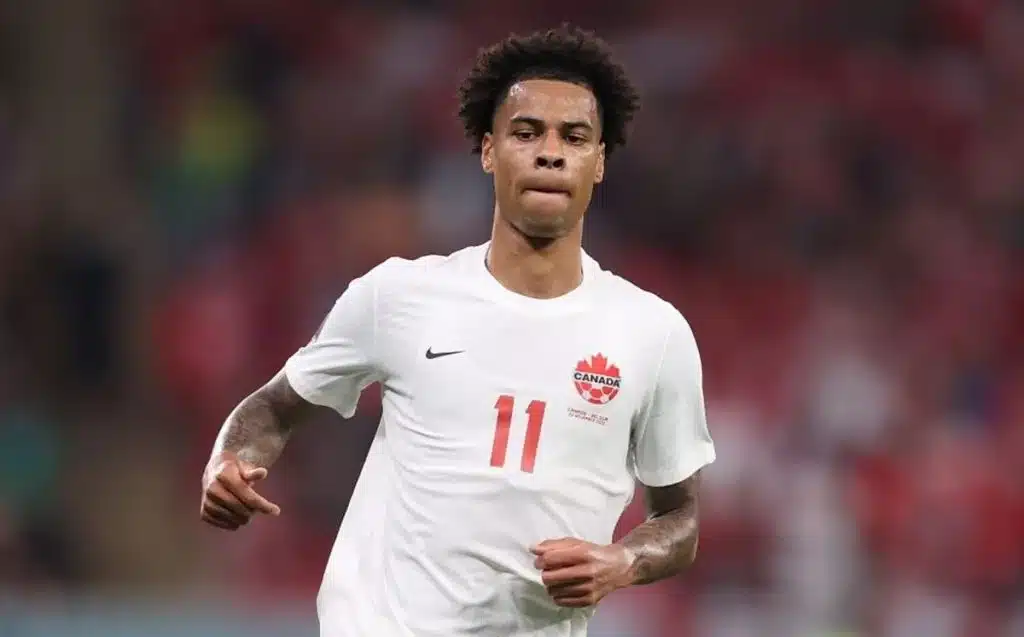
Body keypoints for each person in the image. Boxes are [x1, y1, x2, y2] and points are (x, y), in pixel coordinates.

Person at [200, 23, 715, 637]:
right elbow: (275, 407)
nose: (550, 152)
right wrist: (229, 460)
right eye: (527, 132)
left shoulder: (652, 334)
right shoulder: (397, 296)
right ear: (489, 151)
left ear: (599, 161)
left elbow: (680, 518)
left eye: (575, 137)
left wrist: (622, 562)